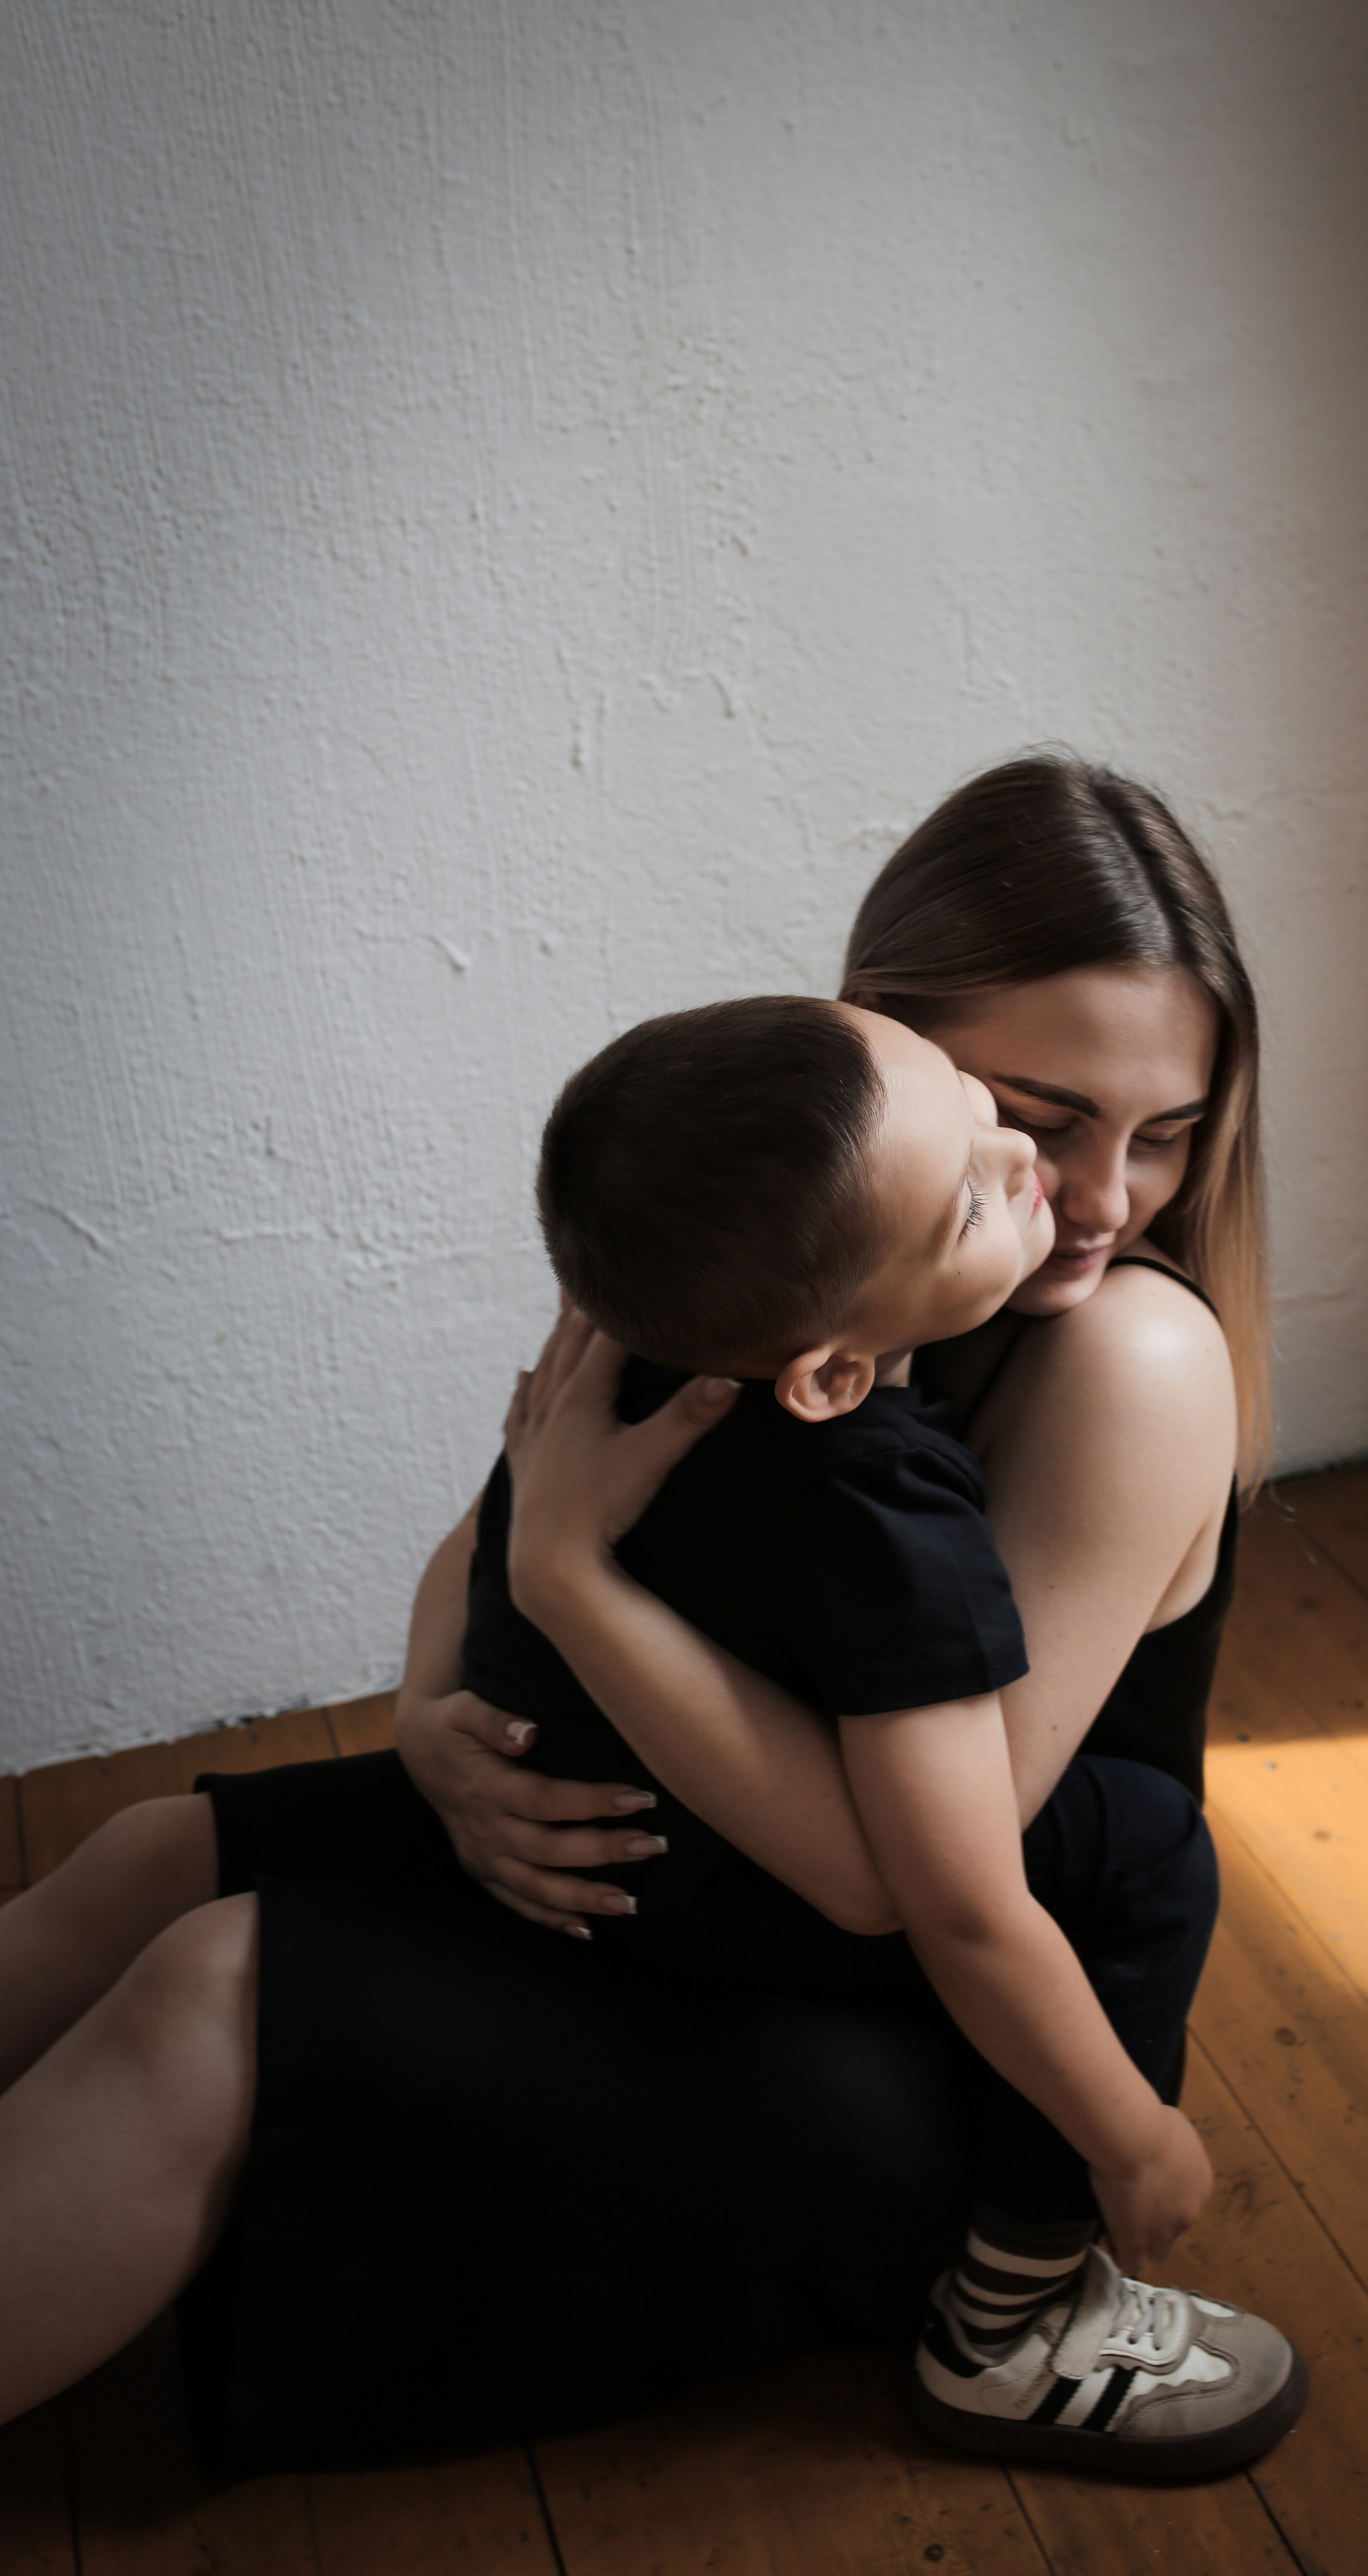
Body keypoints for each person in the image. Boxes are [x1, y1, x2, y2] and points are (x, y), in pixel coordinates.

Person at [0, 751, 1273, 2475]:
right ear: (879, 1045)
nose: (1100, 1199)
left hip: (941, 2033)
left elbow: (896, 1877)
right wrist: (439, 1737)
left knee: (222, 1984)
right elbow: (499, 1519)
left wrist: (574, 1589)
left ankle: (1009, 2311)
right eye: (1039, 1120)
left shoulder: (1125, 1353)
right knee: (153, 1857)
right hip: (703, 1877)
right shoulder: (789, 1229)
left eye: (1167, 1135)